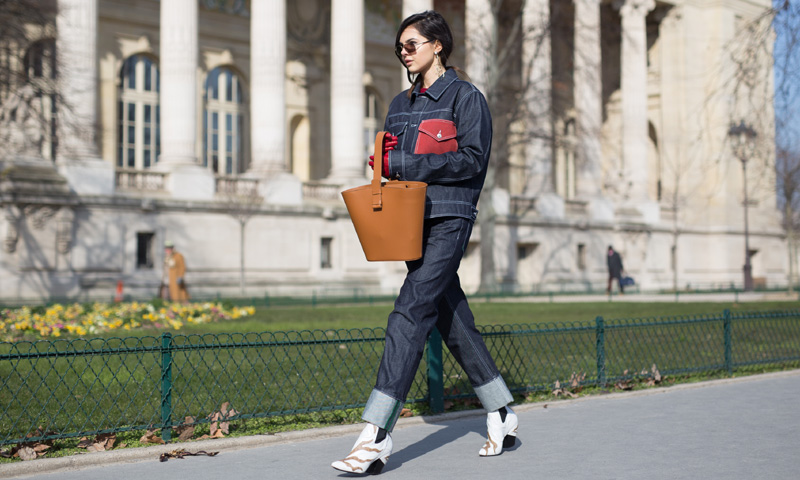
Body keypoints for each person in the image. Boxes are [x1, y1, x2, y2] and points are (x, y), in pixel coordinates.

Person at [331, 11, 517, 475]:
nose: (403, 52)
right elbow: (393, 161)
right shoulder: (398, 103)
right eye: (400, 47)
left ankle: (375, 435)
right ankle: (500, 410)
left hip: (451, 216)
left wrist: (406, 162)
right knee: (449, 315)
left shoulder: (466, 97)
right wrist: (382, 162)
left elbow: (473, 160)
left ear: (438, 46)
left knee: (411, 309)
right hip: (409, 220)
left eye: (411, 44)